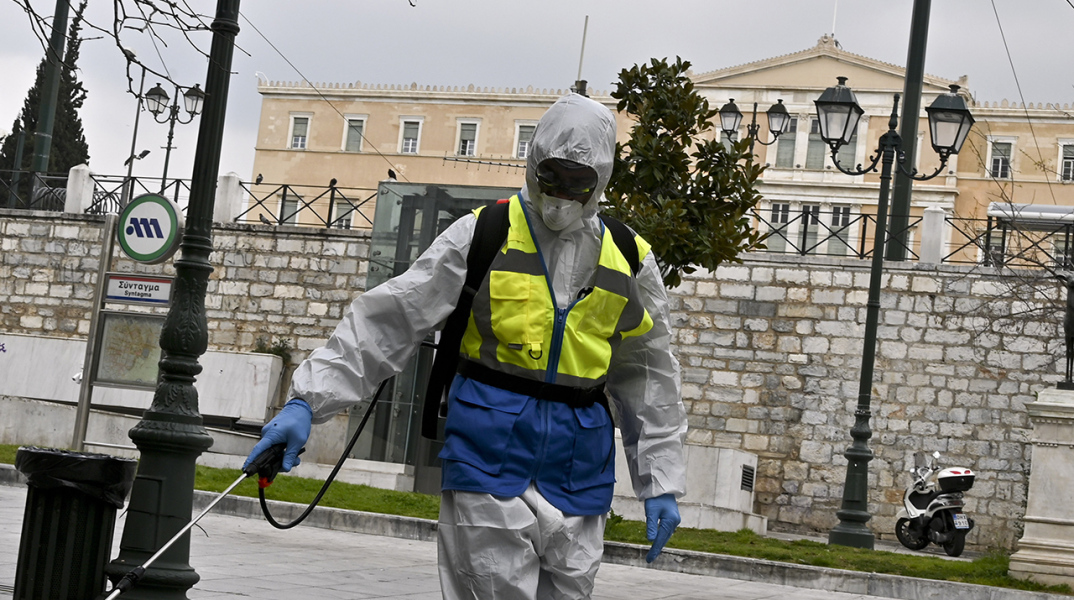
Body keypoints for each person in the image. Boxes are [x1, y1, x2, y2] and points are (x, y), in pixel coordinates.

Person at [244, 92, 688, 599]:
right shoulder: (484, 233)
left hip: (578, 468)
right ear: (533, 163)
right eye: (552, 176)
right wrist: (308, 401)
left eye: (577, 181)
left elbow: (649, 375)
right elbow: (390, 319)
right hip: (487, 452)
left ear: (601, 180)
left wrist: (661, 482)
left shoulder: (628, 258)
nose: (562, 193)